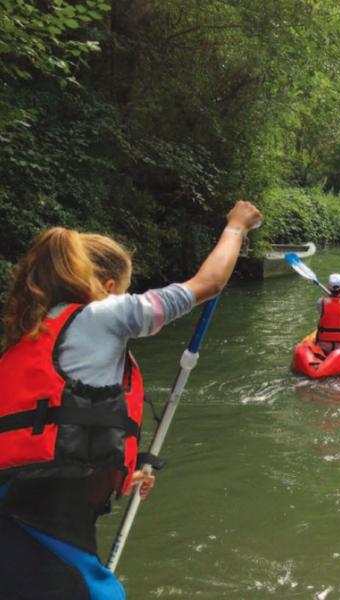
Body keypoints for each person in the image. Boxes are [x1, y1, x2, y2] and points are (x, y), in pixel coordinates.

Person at [0, 200, 262, 599]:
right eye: (124, 290)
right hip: (43, 525)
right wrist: (237, 227)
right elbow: (208, 284)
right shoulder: (101, 316)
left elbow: (49, 439)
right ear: (108, 289)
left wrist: (121, 473)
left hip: (21, 515)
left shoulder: (28, 333)